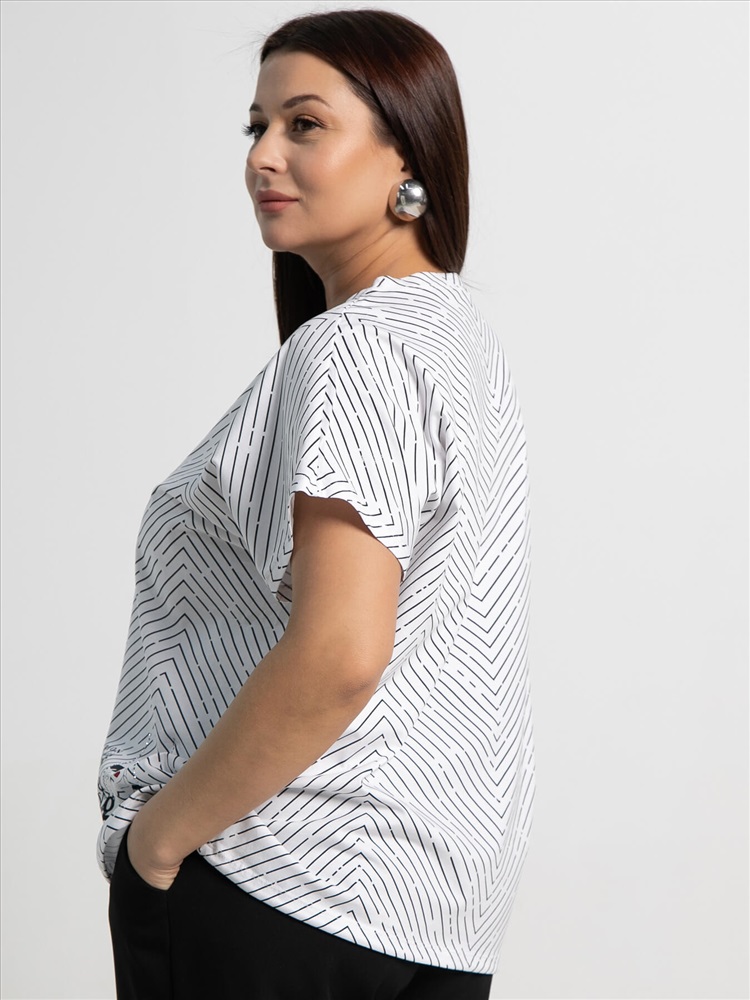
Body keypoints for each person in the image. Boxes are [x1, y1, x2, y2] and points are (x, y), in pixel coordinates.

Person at [98, 8, 536, 999]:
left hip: (276, 876)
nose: (263, 155)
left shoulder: (358, 344)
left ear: (407, 155)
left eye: (305, 124)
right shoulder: (462, 340)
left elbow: (341, 650)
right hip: (436, 910)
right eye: (256, 126)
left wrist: (159, 841)